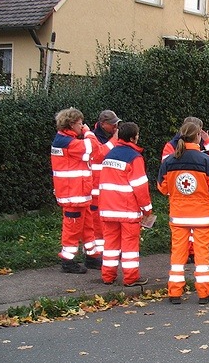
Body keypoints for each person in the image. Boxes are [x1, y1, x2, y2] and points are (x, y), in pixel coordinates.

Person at [158, 121, 209, 305]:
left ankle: (174, 292)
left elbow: (162, 188)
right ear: (197, 137)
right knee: (202, 256)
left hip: (179, 216)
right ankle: (204, 293)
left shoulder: (169, 161)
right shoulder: (207, 161)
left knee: (177, 256)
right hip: (202, 216)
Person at [98, 122, 153, 286]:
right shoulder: (134, 158)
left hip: (108, 209)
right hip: (127, 210)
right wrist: (147, 209)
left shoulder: (109, 155)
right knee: (129, 246)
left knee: (110, 244)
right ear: (133, 138)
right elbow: (140, 187)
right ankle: (131, 278)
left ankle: (108, 276)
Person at [162, 116, 209, 263]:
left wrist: (207, 140)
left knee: (187, 230)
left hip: (190, 197)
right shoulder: (172, 146)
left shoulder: (201, 143)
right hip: (189, 195)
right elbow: (167, 168)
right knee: (194, 229)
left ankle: (191, 252)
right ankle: (190, 251)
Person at [51, 108, 100, 274]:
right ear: (71, 124)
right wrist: (88, 132)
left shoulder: (64, 140)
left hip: (78, 193)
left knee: (88, 227)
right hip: (73, 195)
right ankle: (67, 261)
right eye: (80, 123)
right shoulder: (68, 143)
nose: (82, 126)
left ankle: (92, 256)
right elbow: (94, 147)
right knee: (72, 229)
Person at [87, 110, 120, 263]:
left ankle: (105, 252)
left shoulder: (107, 136)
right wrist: (114, 140)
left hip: (106, 187)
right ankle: (94, 256)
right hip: (95, 188)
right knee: (96, 225)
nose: (115, 127)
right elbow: (100, 155)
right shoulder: (93, 138)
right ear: (102, 124)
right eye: (112, 124)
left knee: (105, 223)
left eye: (116, 124)